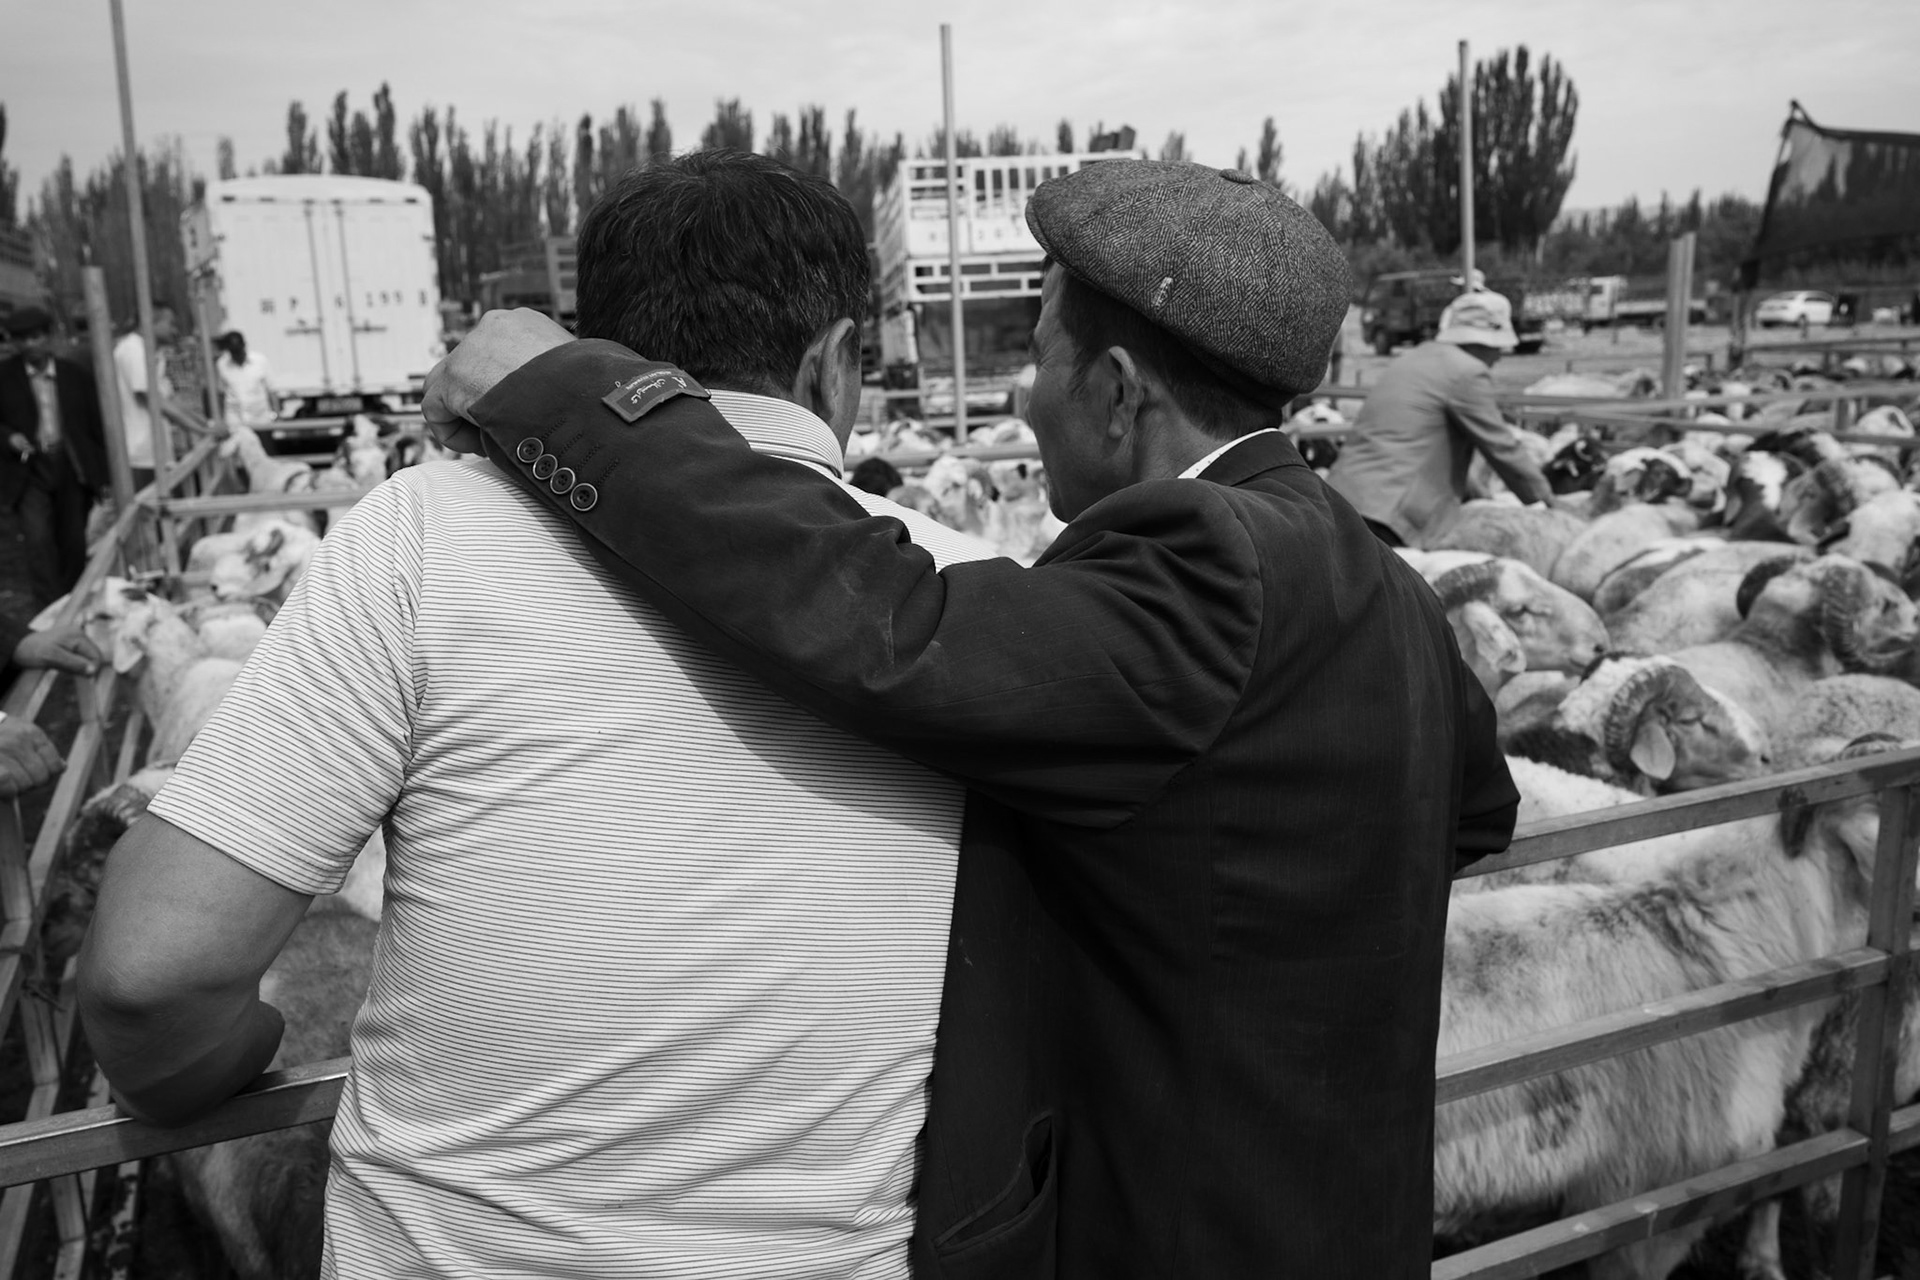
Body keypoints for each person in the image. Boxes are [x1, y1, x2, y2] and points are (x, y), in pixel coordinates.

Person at [427, 160, 1519, 1278]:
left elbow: (892, 629)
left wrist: (566, 393)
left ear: (1119, 391)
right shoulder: (1382, 583)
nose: (1020, 397)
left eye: (1037, 354)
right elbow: (1478, 803)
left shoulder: (1209, 566)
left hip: (1187, 1234)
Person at [77, 152, 1003, 1278]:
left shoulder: (422, 534)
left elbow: (150, 972)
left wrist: (231, 1058)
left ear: (598, 349)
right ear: (843, 362)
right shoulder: (973, 594)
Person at [1324, 288, 1554, 547]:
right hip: (1388, 515)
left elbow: (1423, 443)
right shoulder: (1467, 372)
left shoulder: (1415, 358)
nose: (1500, 356)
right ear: (1482, 341)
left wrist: (1482, 495)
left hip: (1340, 498)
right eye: (1499, 346)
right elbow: (1501, 448)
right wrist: (1547, 502)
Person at [0, 307, 111, 603]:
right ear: (14, 343)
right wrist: (9, 436)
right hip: (29, 469)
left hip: (71, 467)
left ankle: (74, 601)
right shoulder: (5, 377)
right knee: (37, 539)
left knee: (72, 539)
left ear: (48, 337)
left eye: (36, 337)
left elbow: (94, 426)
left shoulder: (74, 376)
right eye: (22, 339)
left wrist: (102, 477)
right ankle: (50, 608)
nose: (31, 345)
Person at [111, 305, 177, 490]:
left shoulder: (154, 353)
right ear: (151, 323)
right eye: (170, 323)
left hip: (155, 452)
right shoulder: (134, 351)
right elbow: (155, 401)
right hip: (141, 455)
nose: (175, 330)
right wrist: (202, 428)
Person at [214, 330, 278, 430]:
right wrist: (221, 420)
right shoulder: (222, 364)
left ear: (244, 345)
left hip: (260, 420)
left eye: (238, 350)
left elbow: (272, 390)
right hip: (235, 422)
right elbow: (221, 393)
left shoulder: (260, 360)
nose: (236, 354)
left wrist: (276, 414)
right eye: (233, 351)